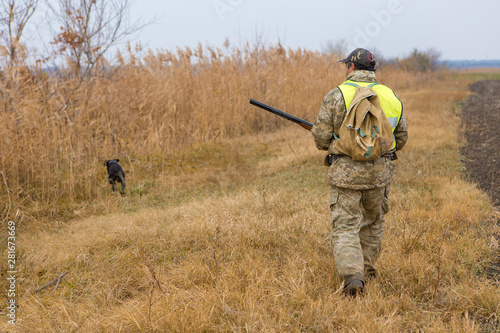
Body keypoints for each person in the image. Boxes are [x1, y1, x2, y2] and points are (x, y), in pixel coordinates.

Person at [311, 48, 408, 296]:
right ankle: (368, 272)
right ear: (372, 69)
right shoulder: (391, 96)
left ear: (351, 67)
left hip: (345, 175)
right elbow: (402, 138)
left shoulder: (336, 95)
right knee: (373, 223)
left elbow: (321, 138)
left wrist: (337, 141)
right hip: (379, 176)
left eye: (346, 65)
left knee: (345, 227)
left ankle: (354, 278)